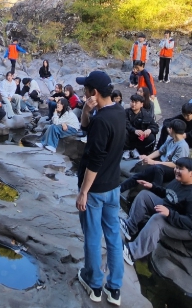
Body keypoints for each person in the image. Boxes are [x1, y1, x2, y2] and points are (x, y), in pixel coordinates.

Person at [75, 71, 125, 305]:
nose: (83, 91)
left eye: (85, 88)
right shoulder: (118, 111)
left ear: (93, 92)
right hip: (114, 186)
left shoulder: (102, 121)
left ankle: (94, 283)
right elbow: (87, 129)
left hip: (95, 190)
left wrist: (83, 192)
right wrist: (86, 111)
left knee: (93, 236)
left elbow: (94, 162)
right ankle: (114, 288)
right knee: (113, 236)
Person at [121, 157, 192, 266]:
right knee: (144, 195)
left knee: (158, 219)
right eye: (176, 167)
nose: (176, 170)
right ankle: (130, 227)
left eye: (180, 169)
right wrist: (152, 187)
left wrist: (170, 214)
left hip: (188, 230)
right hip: (171, 210)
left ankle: (132, 253)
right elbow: (168, 193)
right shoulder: (178, 181)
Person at [120, 119, 189, 192]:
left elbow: (175, 164)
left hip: (172, 169)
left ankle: (155, 191)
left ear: (171, 130)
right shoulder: (171, 139)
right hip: (161, 163)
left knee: (157, 169)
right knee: (140, 172)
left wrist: (153, 162)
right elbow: (160, 151)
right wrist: (147, 157)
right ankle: (119, 189)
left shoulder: (182, 146)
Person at [158, 103, 192, 167]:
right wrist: (168, 128)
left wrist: (187, 134)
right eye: (184, 115)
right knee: (164, 128)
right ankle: (159, 149)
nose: (185, 117)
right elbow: (166, 121)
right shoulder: (180, 117)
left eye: (188, 115)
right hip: (181, 140)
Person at [123, 94, 159, 160]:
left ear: (141, 104)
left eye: (136, 102)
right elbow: (125, 123)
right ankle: (126, 150)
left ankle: (138, 150)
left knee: (151, 137)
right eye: (132, 102)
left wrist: (149, 130)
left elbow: (155, 126)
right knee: (123, 131)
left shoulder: (146, 114)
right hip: (129, 134)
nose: (133, 104)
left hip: (140, 137)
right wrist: (134, 130)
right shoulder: (126, 112)